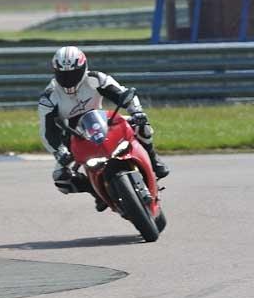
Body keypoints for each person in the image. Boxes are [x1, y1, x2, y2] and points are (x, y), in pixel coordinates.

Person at [38, 46, 169, 210]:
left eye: (72, 73)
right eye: (63, 74)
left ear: (83, 67)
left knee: (142, 126)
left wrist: (137, 112)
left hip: (104, 123)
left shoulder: (96, 79)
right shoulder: (49, 97)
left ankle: (153, 158)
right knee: (61, 179)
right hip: (74, 136)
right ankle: (96, 192)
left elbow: (123, 94)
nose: (68, 78)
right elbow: (47, 132)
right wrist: (59, 152)